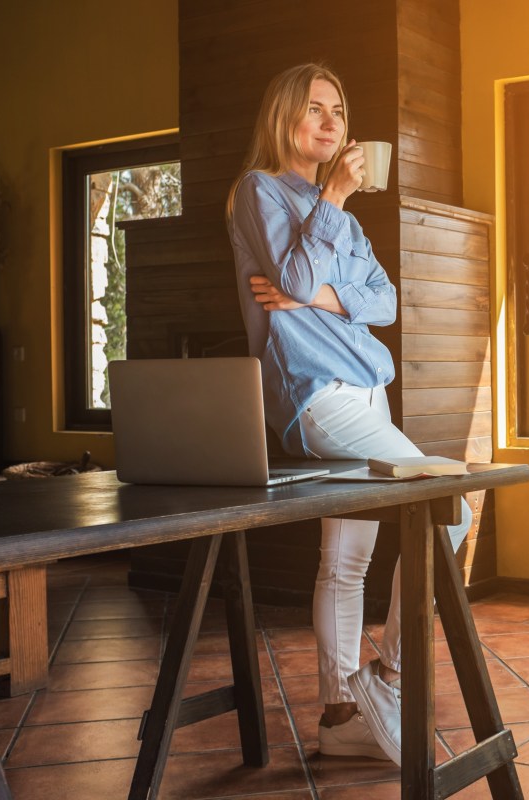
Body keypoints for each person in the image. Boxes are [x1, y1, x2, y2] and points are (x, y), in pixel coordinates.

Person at [225, 62, 472, 765]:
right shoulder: (258, 192)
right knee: (449, 504)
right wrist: (331, 204)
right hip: (316, 394)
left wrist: (321, 297)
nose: (332, 121)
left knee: (345, 560)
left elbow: (385, 302)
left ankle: (339, 714)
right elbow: (297, 277)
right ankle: (388, 677)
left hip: (367, 389)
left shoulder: (345, 220)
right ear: (283, 117)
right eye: (315, 108)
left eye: (339, 109)